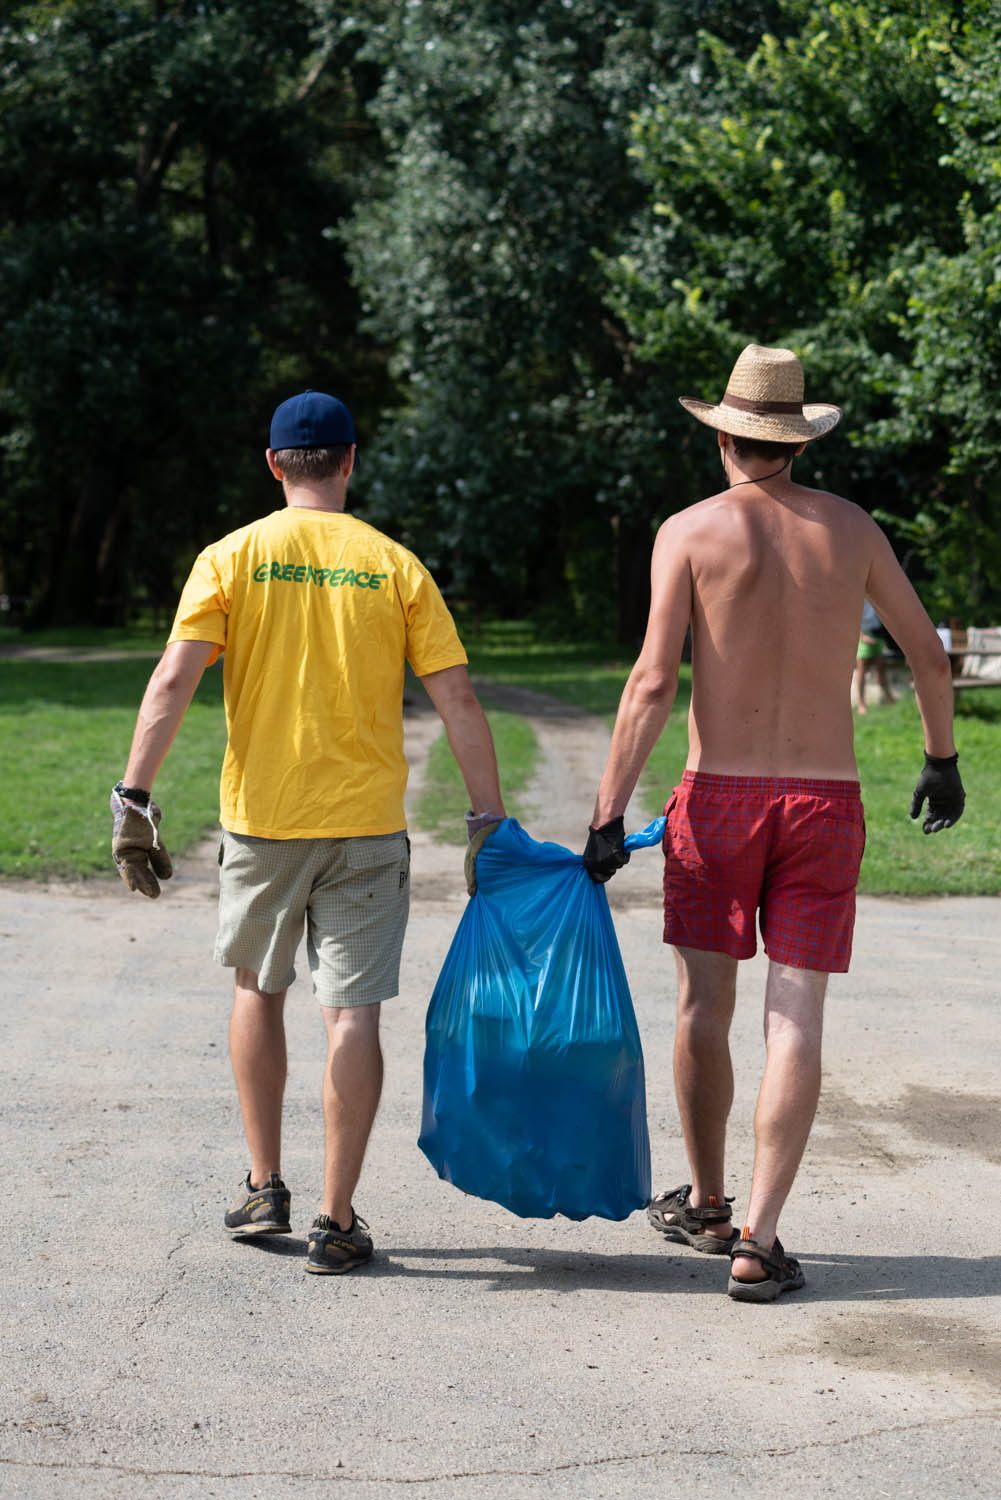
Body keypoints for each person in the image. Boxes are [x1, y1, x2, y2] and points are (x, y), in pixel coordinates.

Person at [582, 345, 964, 1302]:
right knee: (794, 1017)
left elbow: (652, 682)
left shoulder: (688, 532)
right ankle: (759, 1236)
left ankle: (707, 1202)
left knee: (702, 1007)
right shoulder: (852, 532)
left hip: (716, 802)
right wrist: (940, 759)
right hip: (823, 803)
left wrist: (606, 814)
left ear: (721, 432)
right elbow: (927, 655)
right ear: (794, 438)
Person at [110, 390, 505, 1275]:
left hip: (264, 821)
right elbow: (458, 700)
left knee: (257, 991)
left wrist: (135, 797)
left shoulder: (231, 557)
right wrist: (485, 819)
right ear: (351, 461)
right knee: (352, 1013)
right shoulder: (395, 565)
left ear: (274, 464)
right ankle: (335, 1218)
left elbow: (173, 682)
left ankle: (263, 1186)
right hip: (367, 826)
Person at [855, 598, 896, 713]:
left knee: (881, 668)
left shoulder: (874, 592)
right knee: (861, 670)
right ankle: (861, 704)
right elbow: (850, 618)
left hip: (877, 634)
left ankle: (888, 698)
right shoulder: (856, 593)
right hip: (863, 635)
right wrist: (862, 637)